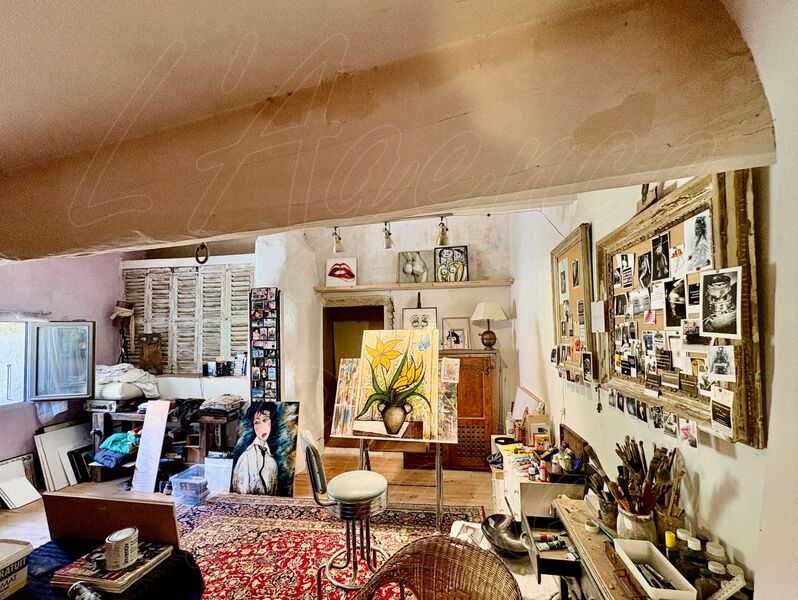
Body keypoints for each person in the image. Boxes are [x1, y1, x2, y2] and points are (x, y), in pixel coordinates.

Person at [232, 404, 278, 495]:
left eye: (265, 420)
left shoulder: (272, 461)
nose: (262, 427)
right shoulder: (246, 458)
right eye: (257, 422)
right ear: (253, 426)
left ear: (271, 422)